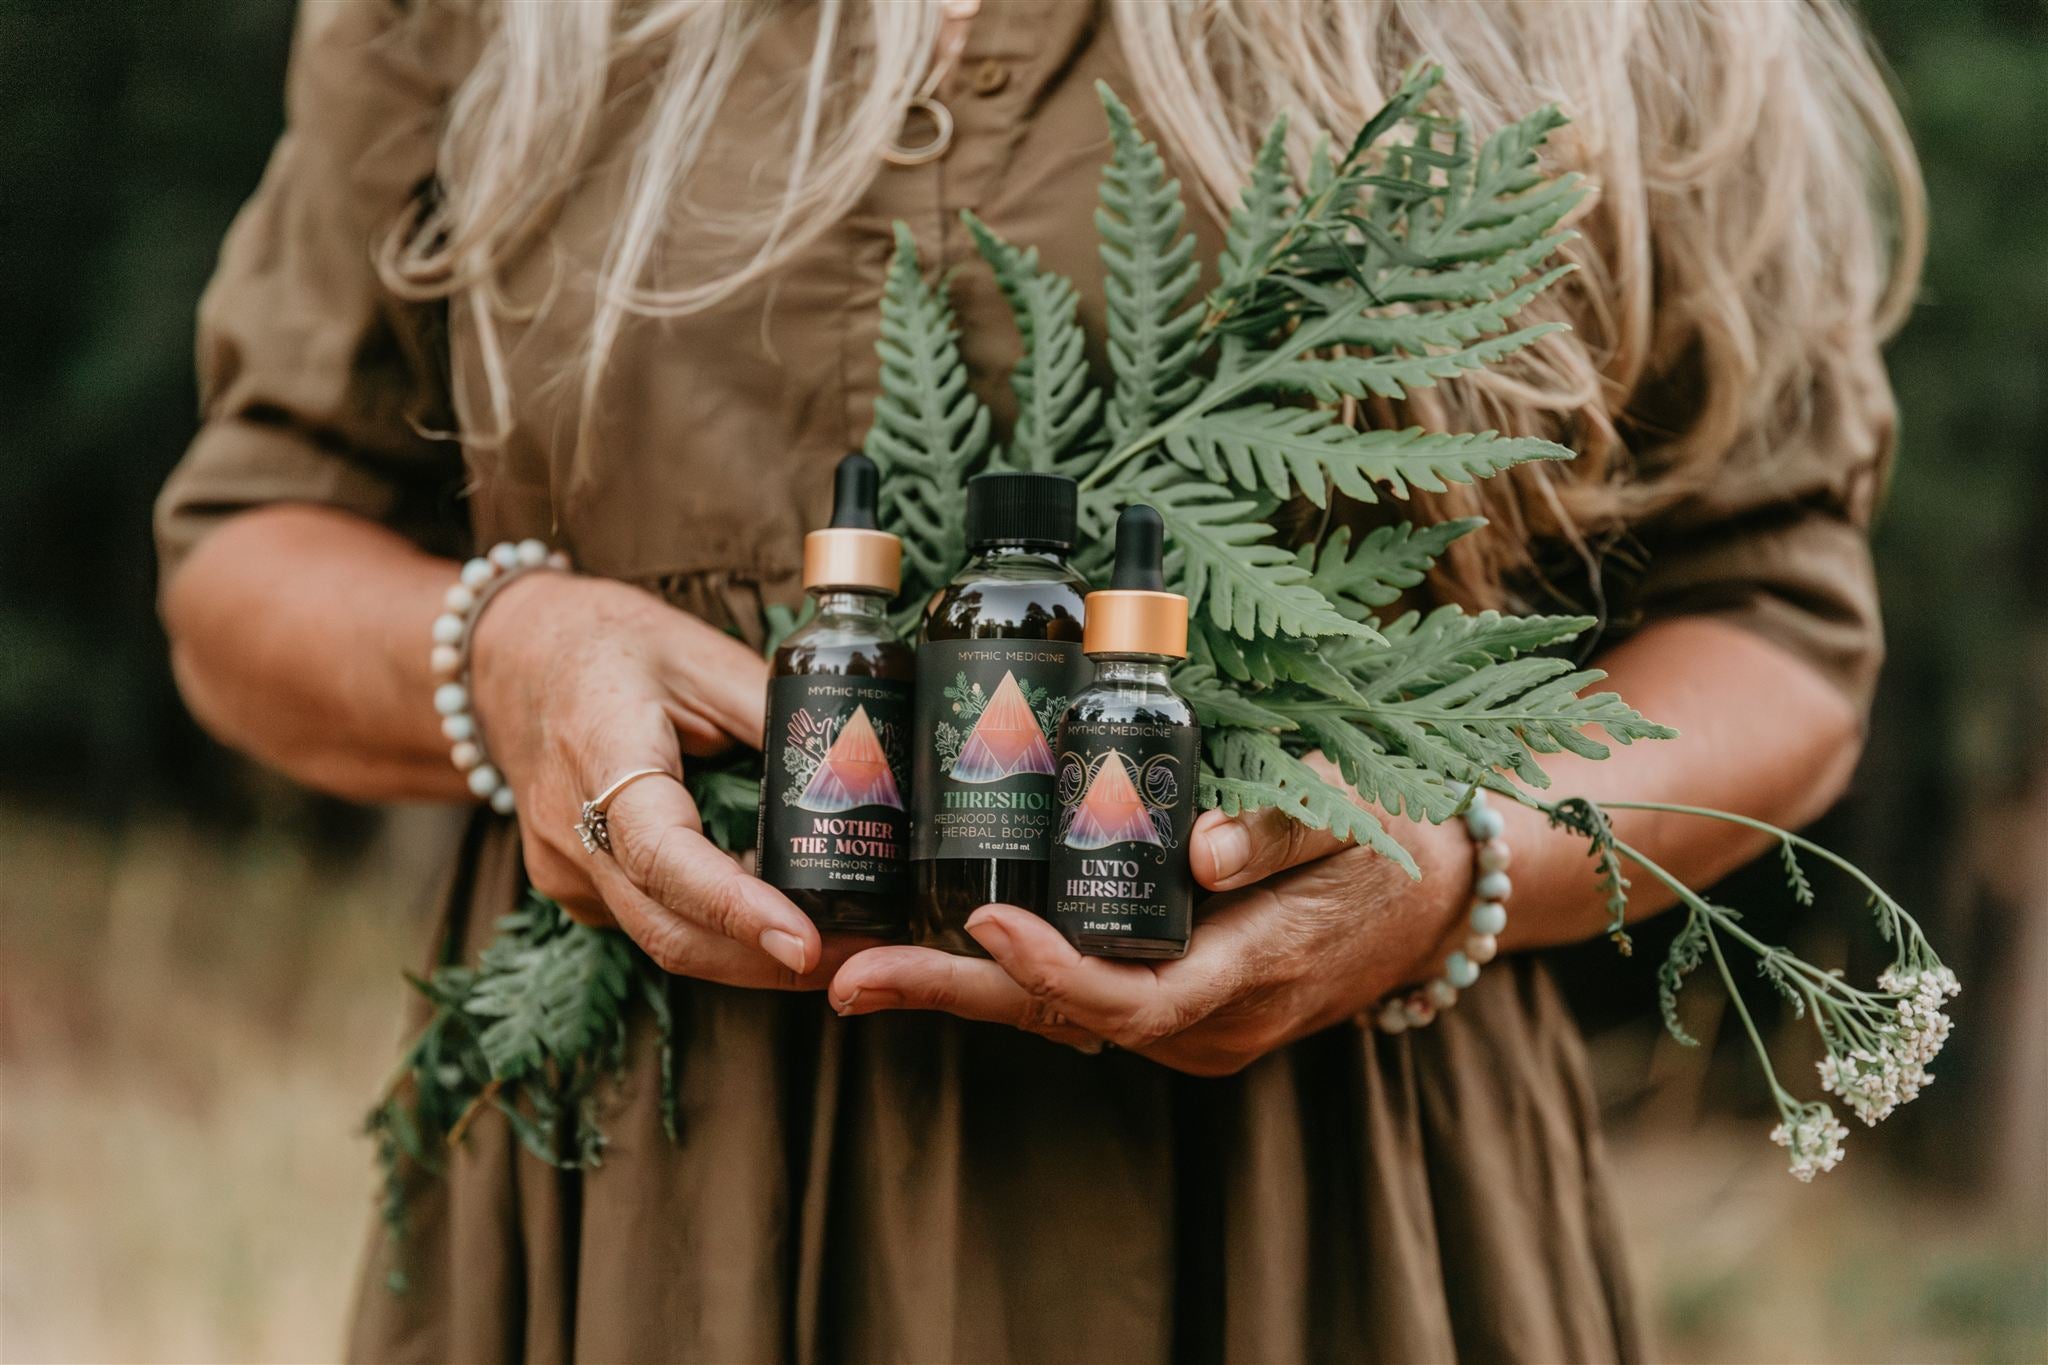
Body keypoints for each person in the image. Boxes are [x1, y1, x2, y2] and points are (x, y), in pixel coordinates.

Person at [156, 1, 1923, 1359]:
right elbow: (248, 548)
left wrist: (1458, 853)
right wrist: (516, 655)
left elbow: (1780, 618)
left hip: (1311, 1220)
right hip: (648, 1205)